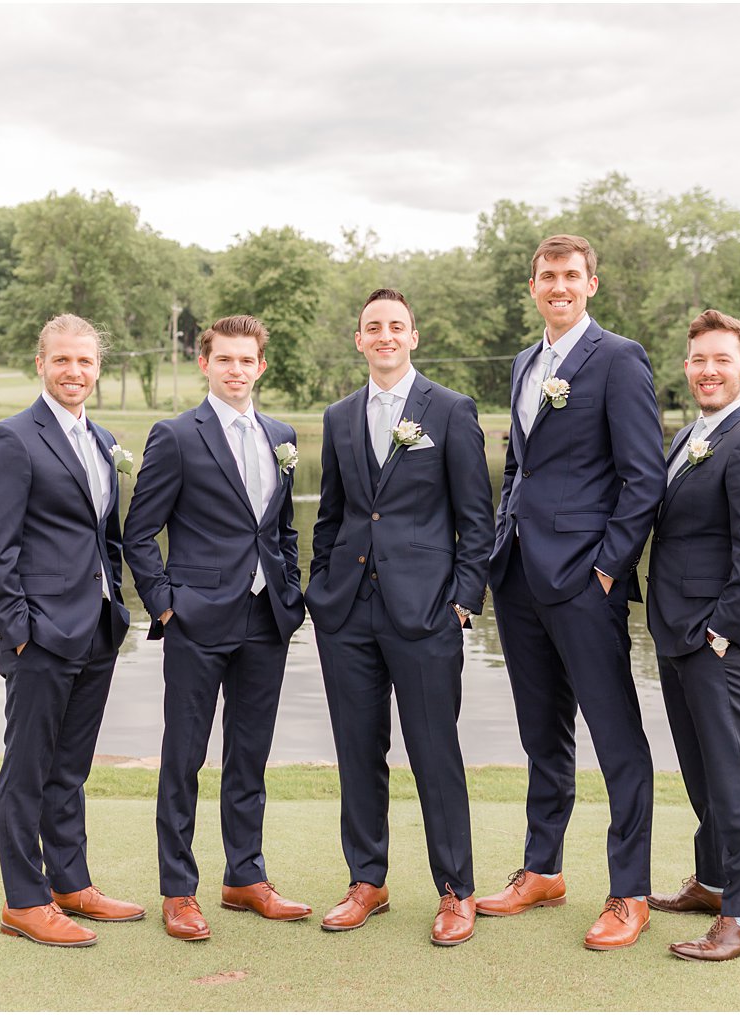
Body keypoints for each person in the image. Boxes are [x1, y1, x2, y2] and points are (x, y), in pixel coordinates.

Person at [479, 234, 667, 951]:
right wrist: (504, 541)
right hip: (521, 577)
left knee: (615, 736)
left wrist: (608, 569)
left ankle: (629, 891)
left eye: (570, 275)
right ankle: (543, 868)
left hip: (586, 580)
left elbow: (642, 476)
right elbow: (519, 467)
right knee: (542, 733)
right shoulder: (528, 361)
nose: (558, 285)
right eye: (546, 275)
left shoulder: (617, 358)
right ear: (533, 286)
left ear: (591, 283)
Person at [306, 289, 494, 947]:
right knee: (358, 750)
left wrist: (463, 602)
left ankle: (456, 890)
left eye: (395, 326)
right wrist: (319, 592)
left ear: (412, 336)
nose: (384, 335)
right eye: (372, 327)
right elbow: (332, 515)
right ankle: (367, 880)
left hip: (427, 611)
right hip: (348, 611)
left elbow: (478, 520)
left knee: (434, 752)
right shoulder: (338, 416)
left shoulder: (450, 409)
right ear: (359, 339)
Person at [122, 313, 311, 942]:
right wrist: (166, 605)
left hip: (265, 620)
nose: (236, 370)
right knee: (184, 757)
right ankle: (179, 891)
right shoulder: (176, 435)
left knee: (249, 757)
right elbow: (139, 532)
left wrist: (288, 591)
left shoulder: (281, 434)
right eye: (224, 359)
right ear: (206, 364)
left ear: (261, 365)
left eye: (246, 360)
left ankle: (245, 876)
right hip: (196, 620)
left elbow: (279, 529)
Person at [0, 313, 140, 948]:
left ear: (98, 369)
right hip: (38, 635)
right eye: (63, 361)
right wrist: (19, 631)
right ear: (40, 364)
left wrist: (114, 604)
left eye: (86, 362)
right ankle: (25, 899)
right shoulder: (12, 439)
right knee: (28, 768)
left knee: (70, 768)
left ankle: (71, 884)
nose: (75, 372)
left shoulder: (102, 440)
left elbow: (106, 536)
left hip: (96, 626)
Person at [646, 308, 740, 962]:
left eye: (721, 360)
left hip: (715, 640)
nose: (708, 370)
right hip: (677, 631)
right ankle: (711, 882)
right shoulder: (690, 434)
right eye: (699, 360)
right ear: (687, 367)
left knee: (732, 779)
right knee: (702, 775)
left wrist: (722, 633)